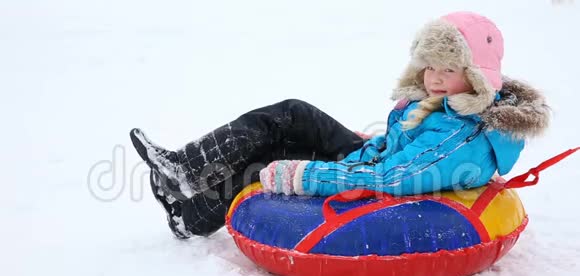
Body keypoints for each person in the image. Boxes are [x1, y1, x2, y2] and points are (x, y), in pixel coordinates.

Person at [130, 11, 550, 239]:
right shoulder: (448, 106)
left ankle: (189, 214)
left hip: (372, 176)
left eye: (447, 69)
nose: (435, 78)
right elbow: (400, 149)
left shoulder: (463, 137)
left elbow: (393, 176)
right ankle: (185, 173)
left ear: (478, 77)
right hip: (368, 156)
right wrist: (376, 142)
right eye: (429, 67)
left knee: (269, 162)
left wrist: (304, 174)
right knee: (294, 113)